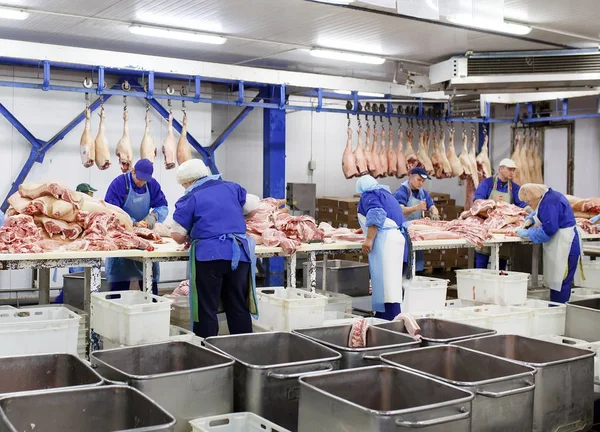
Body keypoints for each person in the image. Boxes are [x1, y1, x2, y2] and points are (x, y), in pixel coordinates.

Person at [171, 159, 260, 338]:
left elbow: (178, 236)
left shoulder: (190, 197)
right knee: (237, 305)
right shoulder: (232, 187)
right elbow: (253, 210)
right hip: (238, 254)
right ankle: (244, 349)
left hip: (208, 257)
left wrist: (194, 230)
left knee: (206, 308)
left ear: (188, 182)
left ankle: (208, 353)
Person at [104, 159, 168, 295]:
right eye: (139, 179)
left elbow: (162, 206)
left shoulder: (152, 184)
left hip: (145, 239)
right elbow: (110, 210)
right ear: (132, 171)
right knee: (119, 287)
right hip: (122, 237)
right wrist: (131, 222)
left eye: (145, 180)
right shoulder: (119, 184)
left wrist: (153, 217)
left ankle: (151, 312)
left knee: (150, 285)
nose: (142, 183)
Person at [517, 184, 583, 303]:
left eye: (529, 202)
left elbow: (549, 229)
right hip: (561, 243)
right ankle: (556, 308)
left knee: (560, 281)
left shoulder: (550, 202)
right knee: (556, 281)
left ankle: (558, 312)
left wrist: (529, 233)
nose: (529, 205)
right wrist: (533, 218)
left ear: (534, 197)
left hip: (565, 245)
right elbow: (541, 212)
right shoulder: (548, 197)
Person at [358, 175, 411, 320]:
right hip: (396, 239)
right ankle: (382, 315)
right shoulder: (387, 195)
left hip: (386, 241)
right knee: (389, 281)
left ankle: (391, 319)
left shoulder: (369, 194)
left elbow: (377, 213)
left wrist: (369, 239)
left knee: (387, 282)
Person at [473, 158, 532, 270]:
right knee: (482, 260)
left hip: (503, 227)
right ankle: (479, 283)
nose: (512, 172)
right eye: (509, 170)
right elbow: (477, 201)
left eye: (513, 170)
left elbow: (522, 204)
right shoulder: (487, 183)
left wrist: (532, 213)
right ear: (501, 169)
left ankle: (499, 284)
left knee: (501, 262)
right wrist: (490, 202)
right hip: (487, 226)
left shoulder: (514, 187)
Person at [393, 167, 439, 272]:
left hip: (416, 231)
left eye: (423, 181)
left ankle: (417, 276)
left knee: (417, 265)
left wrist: (434, 212)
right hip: (402, 231)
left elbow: (431, 205)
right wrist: (416, 208)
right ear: (410, 177)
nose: (421, 183)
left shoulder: (422, 192)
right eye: (419, 180)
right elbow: (399, 210)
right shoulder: (402, 192)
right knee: (405, 265)